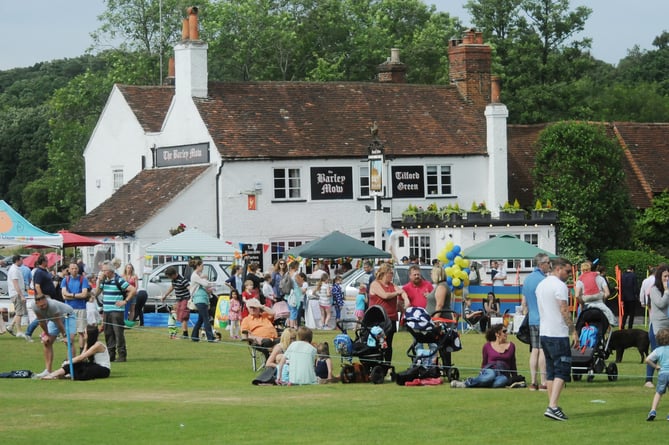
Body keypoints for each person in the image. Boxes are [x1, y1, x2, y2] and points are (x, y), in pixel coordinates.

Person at [536, 257, 576, 421]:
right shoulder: (559, 286)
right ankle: (552, 406)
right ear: (558, 269)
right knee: (562, 369)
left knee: (552, 370)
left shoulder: (541, 284)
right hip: (557, 333)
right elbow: (564, 309)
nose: (569, 275)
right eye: (567, 271)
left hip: (544, 332)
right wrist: (573, 330)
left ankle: (553, 405)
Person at [92, 260, 136, 362]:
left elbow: (133, 290)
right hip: (106, 310)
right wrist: (99, 282)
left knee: (118, 333)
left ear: (110, 271)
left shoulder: (118, 280)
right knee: (108, 333)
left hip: (116, 311)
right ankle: (111, 355)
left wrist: (125, 301)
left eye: (104, 270)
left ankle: (122, 355)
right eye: (102, 270)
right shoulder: (104, 280)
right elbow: (97, 292)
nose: (102, 272)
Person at [450, 324, 517, 388]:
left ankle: (481, 382)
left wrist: (515, 377)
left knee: (498, 383)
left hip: (503, 373)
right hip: (490, 369)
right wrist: (481, 372)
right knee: (490, 376)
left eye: (506, 331)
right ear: (497, 334)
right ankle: (466, 383)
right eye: (504, 331)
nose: (506, 333)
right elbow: (484, 362)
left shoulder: (511, 346)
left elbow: (513, 362)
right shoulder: (487, 346)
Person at [369, 263, 410, 364]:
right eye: (390, 273)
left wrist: (406, 299)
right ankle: (377, 364)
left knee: (388, 344)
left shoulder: (392, 285)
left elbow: (402, 291)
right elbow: (385, 296)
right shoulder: (375, 284)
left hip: (391, 319)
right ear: (384, 273)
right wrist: (398, 293)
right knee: (378, 342)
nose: (392, 275)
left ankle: (387, 365)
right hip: (378, 319)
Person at [521, 253, 550, 391]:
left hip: (532, 318)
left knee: (534, 350)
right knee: (543, 350)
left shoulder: (527, 280)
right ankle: (544, 381)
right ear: (541, 264)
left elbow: (524, 303)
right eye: (548, 263)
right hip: (543, 319)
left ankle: (533, 381)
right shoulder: (543, 280)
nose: (549, 265)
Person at [41, 325, 111, 381]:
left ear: (89, 334)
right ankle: (53, 375)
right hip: (94, 365)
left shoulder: (98, 345)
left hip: (103, 369)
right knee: (77, 365)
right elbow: (82, 358)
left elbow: (82, 357)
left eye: (85, 332)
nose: (83, 334)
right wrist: (71, 362)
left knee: (84, 371)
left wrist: (68, 362)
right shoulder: (89, 343)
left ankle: (62, 375)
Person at [31, 295, 77, 378]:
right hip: (53, 319)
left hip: (68, 316)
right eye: (41, 306)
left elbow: (59, 323)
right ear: (36, 303)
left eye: (45, 305)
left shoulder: (52, 305)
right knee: (46, 342)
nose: (43, 307)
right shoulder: (34, 307)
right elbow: (42, 322)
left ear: (46, 300)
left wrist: (65, 336)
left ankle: (69, 370)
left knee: (69, 341)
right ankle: (48, 371)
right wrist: (46, 334)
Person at [646, 265, 669, 388]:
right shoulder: (654, 289)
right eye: (665, 276)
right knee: (655, 352)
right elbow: (661, 304)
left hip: (668, 323)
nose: (667, 279)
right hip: (657, 325)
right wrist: (666, 291)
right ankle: (648, 380)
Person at [575, 261, 616, 325]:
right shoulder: (600, 278)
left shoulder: (580, 279)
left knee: (580, 322)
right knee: (607, 315)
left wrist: (582, 303)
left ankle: (579, 327)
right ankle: (612, 323)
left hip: (586, 303)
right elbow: (607, 293)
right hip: (599, 301)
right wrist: (603, 300)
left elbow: (577, 295)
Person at [61, 262, 90, 352]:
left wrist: (72, 295)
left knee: (81, 331)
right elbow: (64, 295)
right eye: (72, 268)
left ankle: (82, 352)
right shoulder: (65, 280)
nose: (74, 270)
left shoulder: (83, 280)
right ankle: (70, 353)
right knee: (69, 333)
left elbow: (84, 294)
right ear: (68, 270)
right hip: (68, 308)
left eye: (76, 268)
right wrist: (77, 295)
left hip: (81, 308)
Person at [189, 259, 218, 342]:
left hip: (203, 298)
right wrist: (209, 282)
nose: (203, 267)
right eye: (202, 266)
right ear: (198, 266)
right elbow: (205, 284)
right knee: (206, 318)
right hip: (199, 299)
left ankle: (194, 337)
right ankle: (210, 338)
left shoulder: (199, 275)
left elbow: (206, 284)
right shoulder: (195, 275)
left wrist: (211, 284)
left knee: (201, 319)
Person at [645, 328, 669, 421]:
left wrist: (656, 367)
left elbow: (647, 360)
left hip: (662, 374)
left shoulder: (658, 350)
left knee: (658, 393)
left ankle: (653, 410)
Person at [162, 266, 191, 339]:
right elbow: (172, 287)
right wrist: (165, 295)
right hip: (179, 300)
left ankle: (185, 333)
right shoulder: (174, 280)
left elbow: (190, 288)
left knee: (183, 315)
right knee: (180, 315)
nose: (169, 278)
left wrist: (193, 297)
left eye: (169, 277)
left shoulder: (182, 280)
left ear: (173, 274)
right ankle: (184, 332)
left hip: (185, 299)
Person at [6, 255, 27, 338]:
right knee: (19, 313)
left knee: (20, 312)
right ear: (17, 260)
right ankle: (19, 331)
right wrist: (21, 295)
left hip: (16, 293)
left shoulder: (16, 269)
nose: (22, 261)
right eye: (21, 260)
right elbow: (15, 284)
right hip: (16, 293)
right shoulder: (14, 270)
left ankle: (11, 326)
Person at [621, 265, 638, 329]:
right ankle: (630, 327)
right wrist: (636, 294)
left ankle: (622, 325)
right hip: (631, 297)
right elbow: (635, 287)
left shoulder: (622, 275)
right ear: (632, 270)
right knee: (631, 314)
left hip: (624, 297)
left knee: (625, 313)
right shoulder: (633, 275)